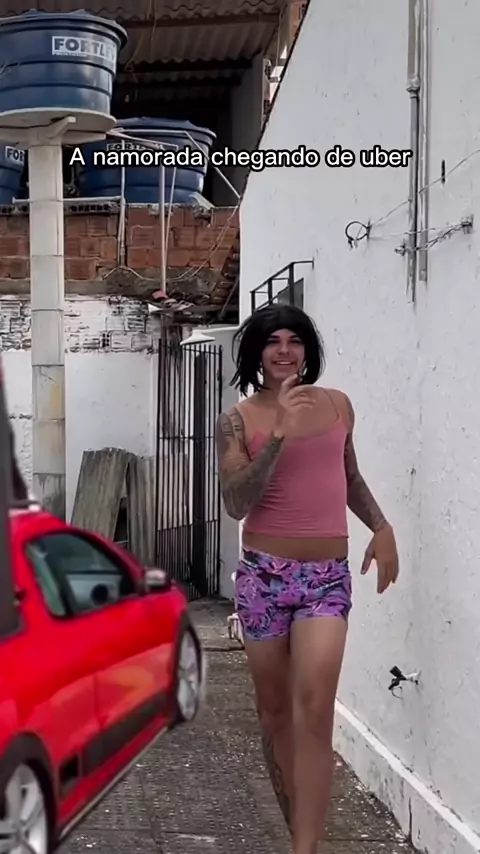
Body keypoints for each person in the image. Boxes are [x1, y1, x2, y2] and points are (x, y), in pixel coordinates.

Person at [215, 304, 399, 854]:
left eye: (294, 340)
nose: (284, 350)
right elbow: (235, 502)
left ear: (307, 350)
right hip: (263, 579)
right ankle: (302, 833)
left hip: (326, 580)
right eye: (273, 341)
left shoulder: (338, 405)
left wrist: (381, 526)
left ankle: (305, 848)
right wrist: (277, 436)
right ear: (257, 351)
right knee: (275, 715)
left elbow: (348, 475)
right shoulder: (237, 420)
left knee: (315, 709)